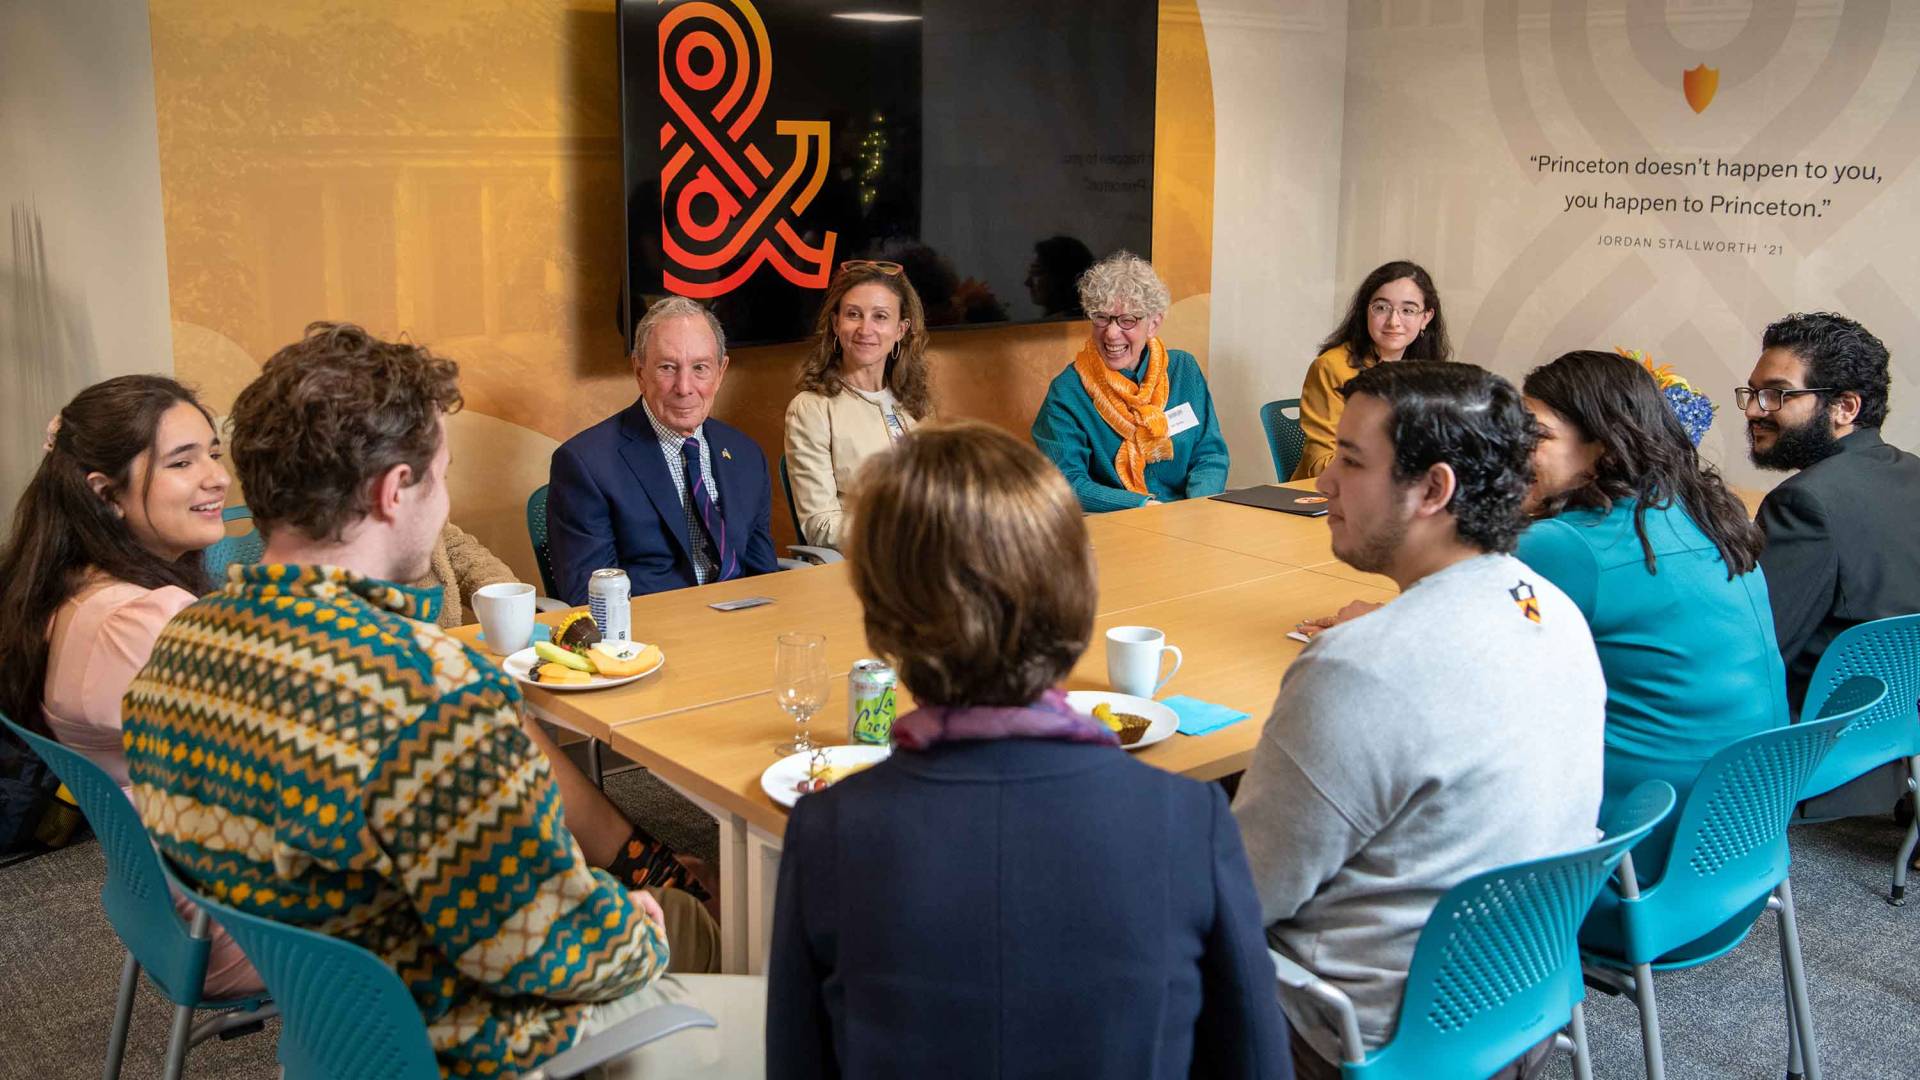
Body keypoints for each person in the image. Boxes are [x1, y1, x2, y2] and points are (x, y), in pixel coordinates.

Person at [122, 323, 759, 1078]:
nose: (444, 497)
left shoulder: (176, 649)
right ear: (396, 490)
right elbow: (554, 953)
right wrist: (638, 926)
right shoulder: (435, 695)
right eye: (442, 475)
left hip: (339, 1036)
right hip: (487, 1047)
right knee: (773, 968)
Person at [767, 420, 1290, 1078]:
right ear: (1076, 592)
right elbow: (1253, 1063)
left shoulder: (826, 831)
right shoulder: (1191, 820)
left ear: (885, 618)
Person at [1232, 362, 1604, 1079]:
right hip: (1512, 1014)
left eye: (1349, 461)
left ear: (1434, 489)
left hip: (1350, 1039)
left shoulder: (1358, 669)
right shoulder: (1552, 610)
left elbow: (1242, 894)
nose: (1322, 483)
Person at [0, 375, 262, 997]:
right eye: (182, 461)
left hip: (161, 906)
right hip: (237, 920)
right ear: (104, 493)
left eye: (213, 453)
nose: (216, 478)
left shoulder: (62, 594)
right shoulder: (142, 621)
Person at [1516, 350, 1783, 874]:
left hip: (1620, 873)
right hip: (1735, 859)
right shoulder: (1706, 512)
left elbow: (1460, 669)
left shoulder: (1565, 545)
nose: (1514, 449)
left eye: (1537, 435)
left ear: (1602, 445)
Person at [1743, 311, 1920, 819]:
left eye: (1778, 394)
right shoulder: (1911, 473)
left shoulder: (1803, 502)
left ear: (1845, 406)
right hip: (1891, 728)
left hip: (1811, 740)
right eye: (1752, 392)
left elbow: (1757, 649)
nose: (1755, 410)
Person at [548, 296, 778, 603]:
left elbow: (764, 575)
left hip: (743, 627)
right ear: (640, 371)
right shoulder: (585, 464)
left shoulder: (747, 455)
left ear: (721, 372)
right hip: (653, 637)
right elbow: (590, 598)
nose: (684, 387)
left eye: (700, 368)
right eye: (668, 367)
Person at [1030, 250, 1230, 512]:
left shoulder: (1183, 370)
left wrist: (1196, 508)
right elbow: (1066, 483)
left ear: (1153, 324)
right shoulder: (1067, 392)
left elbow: (1209, 454)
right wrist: (1145, 507)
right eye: (1101, 317)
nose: (1112, 333)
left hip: (1189, 517)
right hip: (1119, 522)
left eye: (1127, 320)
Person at [783, 260, 933, 548]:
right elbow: (820, 524)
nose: (866, 329)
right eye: (854, 314)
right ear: (836, 323)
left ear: (901, 329)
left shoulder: (916, 404)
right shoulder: (812, 408)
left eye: (880, 316)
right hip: (864, 565)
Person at [1291, 260, 1452, 480]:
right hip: (1330, 497)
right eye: (1381, 308)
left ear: (1426, 318)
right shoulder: (1332, 367)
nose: (1394, 321)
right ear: (1365, 311)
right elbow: (1321, 463)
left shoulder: (1433, 373)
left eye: (1408, 310)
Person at [410, 521, 516, 629]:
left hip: (448, 638)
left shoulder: (423, 508)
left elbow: (453, 545)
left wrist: (499, 588)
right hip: (408, 637)